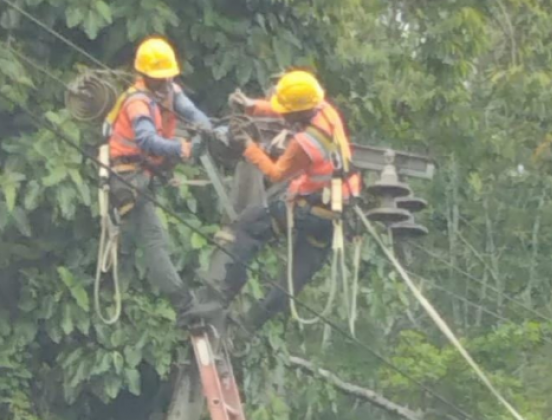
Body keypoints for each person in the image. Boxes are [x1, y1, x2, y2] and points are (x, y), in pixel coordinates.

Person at [188, 70, 361, 332]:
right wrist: (252, 106)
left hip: (309, 210)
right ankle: (248, 326)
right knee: (293, 280)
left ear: (298, 113)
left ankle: (221, 297)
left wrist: (248, 146)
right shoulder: (325, 111)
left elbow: (275, 172)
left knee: (247, 227)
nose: (283, 115)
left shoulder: (306, 143)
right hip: (337, 210)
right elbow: (288, 110)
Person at [106, 36, 221, 328]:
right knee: (155, 241)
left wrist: (206, 129)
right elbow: (146, 138)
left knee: (159, 240)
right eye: (159, 78)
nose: (165, 81)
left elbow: (192, 113)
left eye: (167, 76)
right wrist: (179, 149)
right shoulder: (137, 101)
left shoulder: (170, 91)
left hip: (146, 173)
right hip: (128, 177)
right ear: (144, 76)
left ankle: (186, 303)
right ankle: (186, 307)